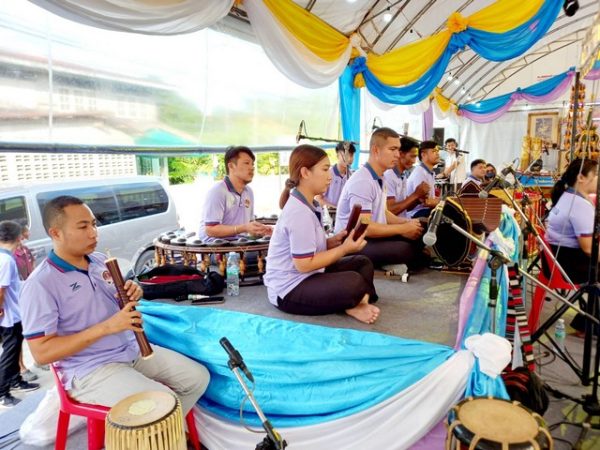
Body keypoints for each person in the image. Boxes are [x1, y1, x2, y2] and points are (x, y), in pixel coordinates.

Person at [19, 196, 209, 414]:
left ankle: (159, 434)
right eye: (83, 227)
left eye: (93, 224)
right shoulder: (40, 284)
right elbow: (42, 353)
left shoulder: (99, 260)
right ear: (55, 233)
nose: (93, 233)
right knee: (164, 402)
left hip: (131, 350)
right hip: (90, 369)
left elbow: (114, 304)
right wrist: (108, 327)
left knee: (198, 378)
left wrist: (131, 293)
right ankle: (159, 432)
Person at [265, 145, 380, 324]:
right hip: (289, 289)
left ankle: (357, 303)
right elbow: (303, 264)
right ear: (305, 173)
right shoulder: (298, 212)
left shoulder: (311, 204)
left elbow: (308, 248)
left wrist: (332, 242)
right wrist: (343, 249)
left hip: (310, 274)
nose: (329, 176)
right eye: (325, 169)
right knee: (354, 282)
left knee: (362, 263)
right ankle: (353, 302)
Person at [335, 127, 424, 269]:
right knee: (406, 250)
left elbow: (383, 212)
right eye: (392, 149)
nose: (397, 155)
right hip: (354, 240)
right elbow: (365, 227)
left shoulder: (379, 177)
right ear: (376, 150)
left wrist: (406, 222)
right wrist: (402, 229)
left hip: (371, 235)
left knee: (420, 234)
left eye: (398, 150)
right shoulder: (363, 181)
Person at [546, 158, 598, 334]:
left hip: (558, 260)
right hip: (568, 266)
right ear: (581, 178)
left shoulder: (567, 196)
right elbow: (589, 248)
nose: (598, 179)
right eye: (596, 175)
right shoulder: (579, 204)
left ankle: (586, 324)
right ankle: (589, 326)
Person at [1, 220, 40, 409]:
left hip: (13, 313)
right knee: (9, 354)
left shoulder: (5, 257)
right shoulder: (6, 260)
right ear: (18, 237)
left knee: (15, 350)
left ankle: (16, 380)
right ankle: (2, 392)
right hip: (9, 317)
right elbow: (1, 290)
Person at [198, 146, 271, 242]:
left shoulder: (249, 192)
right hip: (217, 250)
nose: (252, 168)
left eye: (252, 164)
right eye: (246, 163)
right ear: (231, 166)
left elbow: (248, 226)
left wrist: (262, 230)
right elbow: (210, 230)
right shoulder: (217, 191)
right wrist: (244, 228)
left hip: (239, 245)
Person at [13, 224, 39, 382]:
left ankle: (38, 359)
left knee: (32, 328)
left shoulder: (25, 250)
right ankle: (21, 368)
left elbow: (33, 268)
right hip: (16, 299)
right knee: (16, 335)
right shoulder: (10, 256)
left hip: (28, 294)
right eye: (25, 231)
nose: (28, 233)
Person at [384, 137, 429, 218]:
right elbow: (391, 210)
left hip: (402, 223)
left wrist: (418, 200)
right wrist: (415, 195)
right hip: (393, 228)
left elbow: (404, 208)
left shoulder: (402, 176)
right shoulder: (389, 176)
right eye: (412, 156)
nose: (414, 161)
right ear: (400, 154)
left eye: (415, 157)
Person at [405, 140, 441, 218]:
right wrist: (443, 203)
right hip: (415, 213)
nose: (438, 154)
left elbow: (432, 199)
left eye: (438, 151)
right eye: (434, 151)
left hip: (424, 210)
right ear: (424, 155)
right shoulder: (420, 172)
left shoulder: (430, 172)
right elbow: (425, 202)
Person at [322, 141, 355, 208]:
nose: (348, 159)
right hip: (328, 214)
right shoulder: (327, 174)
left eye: (351, 155)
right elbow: (318, 198)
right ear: (337, 155)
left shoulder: (353, 177)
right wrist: (335, 209)